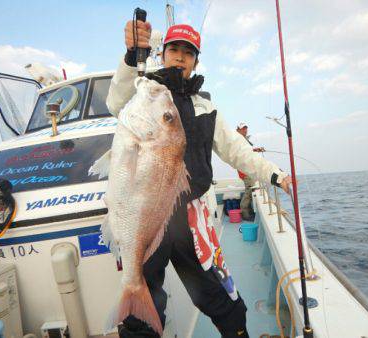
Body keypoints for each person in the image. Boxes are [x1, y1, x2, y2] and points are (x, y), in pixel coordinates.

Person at [106, 19, 291, 338]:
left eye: (188, 52)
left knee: (220, 293)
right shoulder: (145, 91)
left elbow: (237, 151)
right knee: (143, 302)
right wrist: (130, 55)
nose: (180, 56)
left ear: (196, 61)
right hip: (149, 214)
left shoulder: (206, 107)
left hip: (192, 219)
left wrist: (277, 175)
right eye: (174, 49)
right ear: (162, 54)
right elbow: (115, 102)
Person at [235, 122, 265, 221]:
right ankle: (244, 213)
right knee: (249, 190)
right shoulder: (237, 140)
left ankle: (248, 211)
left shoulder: (242, 140)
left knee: (250, 189)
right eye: (243, 128)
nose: (245, 130)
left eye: (246, 128)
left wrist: (256, 150)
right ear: (238, 130)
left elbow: (248, 152)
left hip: (247, 170)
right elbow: (242, 154)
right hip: (244, 170)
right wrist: (256, 150)